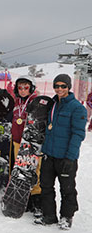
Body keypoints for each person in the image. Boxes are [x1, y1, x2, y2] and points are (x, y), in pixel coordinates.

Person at [34, 74, 87, 230]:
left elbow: (78, 134)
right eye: (57, 86)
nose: (59, 89)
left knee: (67, 189)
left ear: (69, 87)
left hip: (65, 157)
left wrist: (70, 158)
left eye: (63, 86)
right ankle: (49, 215)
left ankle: (66, 217)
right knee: (46, 186)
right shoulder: (52, 105)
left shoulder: (77, 107)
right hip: (49, 154)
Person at [10, 75, 42, 215]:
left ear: (32, 88)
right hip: (17, 141)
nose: (23, 90)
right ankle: (24, 198)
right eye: (20, 88)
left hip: (30, 143)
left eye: (26, 87)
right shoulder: (17, 102)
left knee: (34, 170)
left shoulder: (36, 102)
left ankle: (36, 199)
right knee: (20, 170)